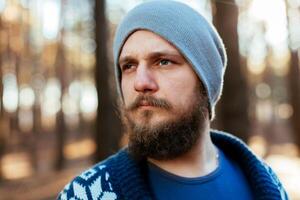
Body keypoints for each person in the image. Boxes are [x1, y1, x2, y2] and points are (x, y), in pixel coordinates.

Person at [58, 1, 288, 199]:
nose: (140, 82)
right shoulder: (85, 194)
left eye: (163, 62)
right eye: (129, 66)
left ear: (205, 80)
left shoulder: (268, 184)